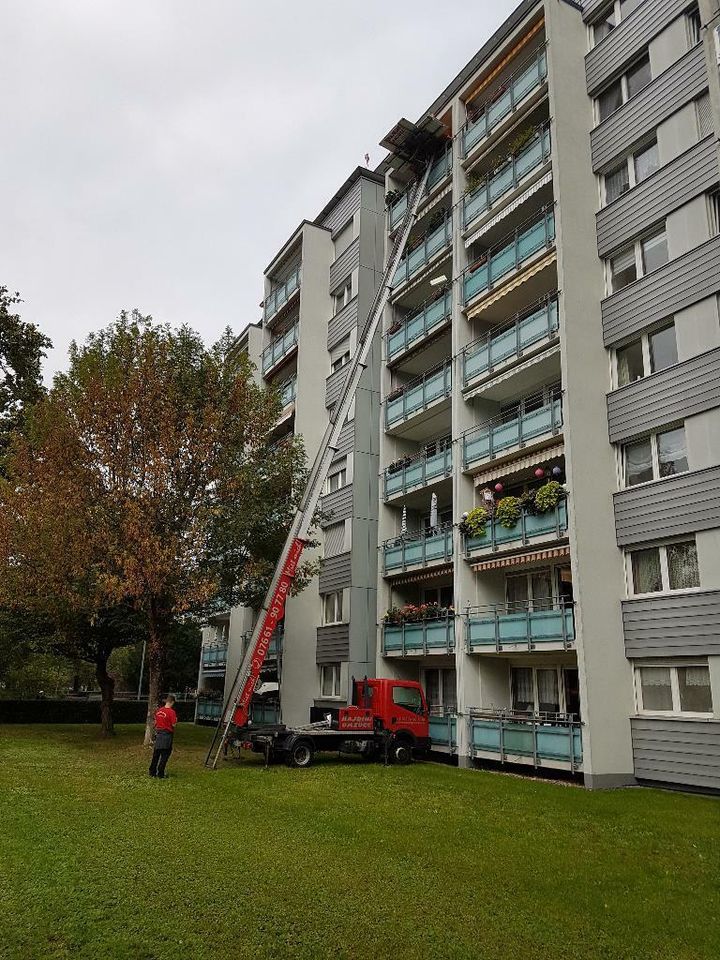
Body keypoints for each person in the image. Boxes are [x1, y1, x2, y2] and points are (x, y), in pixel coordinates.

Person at [149, 695, 178, 779]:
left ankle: (152, 771)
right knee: (165, 755)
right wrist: (176, 720)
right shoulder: (172, 712)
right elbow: (173, 724)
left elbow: (155, 723)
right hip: (167, 735)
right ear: (172, 702)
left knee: (156, 754)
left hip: (159, 734)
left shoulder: (159, 710)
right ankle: (160, 773)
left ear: (166, 701)